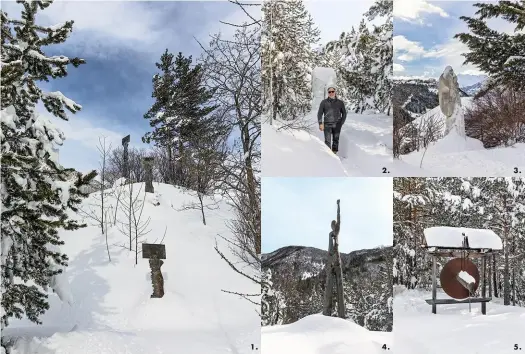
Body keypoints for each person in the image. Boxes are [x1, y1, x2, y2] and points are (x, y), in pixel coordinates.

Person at [317, 87, 347, 154]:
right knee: (327, 141)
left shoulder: (340, 102)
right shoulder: (324, 102)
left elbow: (344, 113)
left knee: (336, 140)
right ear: (328, 93)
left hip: (337, 124)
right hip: (327, 124)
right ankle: (328, 155)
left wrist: (341, 122)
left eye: (332, 91)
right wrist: (320, 123)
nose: (331, 93)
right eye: (329, 92)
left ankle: (334, 154)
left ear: (335, 92)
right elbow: (320, 113)